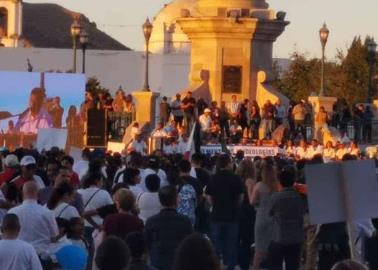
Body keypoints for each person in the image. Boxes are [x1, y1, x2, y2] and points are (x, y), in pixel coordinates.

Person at [205, 154, 244, 270]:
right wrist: (235, 206)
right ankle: (230, 266)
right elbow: (241, 197)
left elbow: (208, 195)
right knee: (231, 245)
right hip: (232, 216)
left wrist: (214, 205)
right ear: (228, 164)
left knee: (216, 245)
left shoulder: (213, 177)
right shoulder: (236, 178)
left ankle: (216, 266)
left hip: (216, 215)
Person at [145, 186, 193, 270]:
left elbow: (148, 243)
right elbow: (189, 244)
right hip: (179, 262)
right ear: (176, 200)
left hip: (158, 262)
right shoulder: (185, 221)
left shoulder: (151, 221)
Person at [267, 165, 306, 270]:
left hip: (279, 237)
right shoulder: (300, 197)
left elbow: (269, 212)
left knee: (275, 265)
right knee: (293, 266)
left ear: (280, 182)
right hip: (296, 238)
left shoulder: (276, 197)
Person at [8, 182, 58, 259]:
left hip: (18, 256)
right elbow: (54, 236)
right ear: (38, 194)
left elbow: (5, 235)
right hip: (41, 256)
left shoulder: (12, 212)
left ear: (22, 194)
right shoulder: (47, 213)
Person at [249, 159, 278, 270]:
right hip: (274, 217)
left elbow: (252, 201)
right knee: (273, 247)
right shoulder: (277, 186)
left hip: (261, 215)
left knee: (259, 248)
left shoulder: (259, 185)